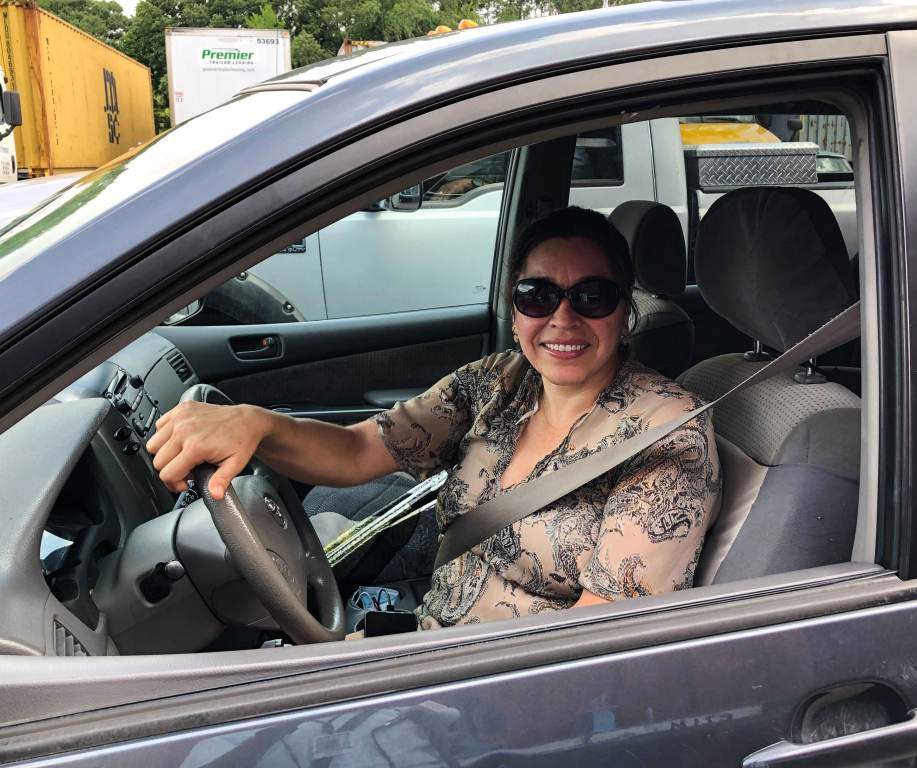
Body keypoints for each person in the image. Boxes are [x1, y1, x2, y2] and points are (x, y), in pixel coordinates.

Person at [147, 206, 721, 630]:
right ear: (514, 306)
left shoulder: (668, 431)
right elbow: (358, 451)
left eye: (592, 296)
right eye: (537, 295)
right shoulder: (498, 380)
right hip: (429, 641)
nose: (563, 318)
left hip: (494, 697)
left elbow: (601, 637)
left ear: (626, 310)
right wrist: (260, 424)